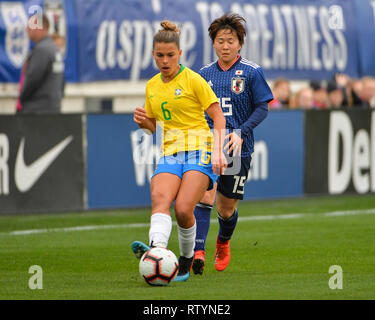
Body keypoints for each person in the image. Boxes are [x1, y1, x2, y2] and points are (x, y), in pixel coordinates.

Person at [131, 21, 227, 282]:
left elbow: (218, 117)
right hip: (170, 152)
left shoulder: (193, 80)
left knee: (184, 209)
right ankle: (158, 249)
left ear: (180, 55)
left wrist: (218, 152)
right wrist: (144, 122)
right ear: (153, 55)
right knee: (160, 199)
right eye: (160, 55)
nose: (165, 60)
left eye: (170, 55)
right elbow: (152, 127)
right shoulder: (152, 86)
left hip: (200, 151)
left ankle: (185, 259)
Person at [191, 13, 273, 275]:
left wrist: (241, 131)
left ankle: (223, 242)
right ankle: (198, 251)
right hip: (208, 145)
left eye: (231, 41)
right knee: (204, 196)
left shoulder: (251, 72)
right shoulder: (203, 74)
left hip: (239, 148)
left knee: (226, 209)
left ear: (240, 44)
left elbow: (262, 107)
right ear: (213, 43)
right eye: (220, 40)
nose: (225, 45)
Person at [17, 13, 64, 114]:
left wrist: (21, 98)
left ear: (41, 28)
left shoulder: (41, 50)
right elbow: (62, 82)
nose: (27, 29)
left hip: (37, 111)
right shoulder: (53, 48)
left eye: (31, 26)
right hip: (52, 108)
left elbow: (33, 79)